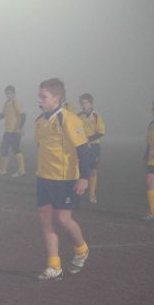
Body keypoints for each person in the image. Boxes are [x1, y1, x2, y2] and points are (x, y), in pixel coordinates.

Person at [34, 78, 90, 280]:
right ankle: (54, 265)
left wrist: (84, 177)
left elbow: (83, 150)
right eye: (39, 96)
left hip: (65, 180)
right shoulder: (39, 121)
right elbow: (42, 147)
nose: (39, 100)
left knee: (63, 219)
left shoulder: (69, 119)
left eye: (44, 96)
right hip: (44, 179)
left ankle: (82, 249)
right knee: (46, 220)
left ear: (56, 97)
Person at [0, 85, 26, 177]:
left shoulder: (16, 102)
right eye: (7, 93)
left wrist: (20, 127)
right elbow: (3, 115)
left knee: (15, 149)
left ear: (14, 93)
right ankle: (3, 170)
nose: (8, 95)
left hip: (15, 131)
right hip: (8, 131)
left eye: (10, 93)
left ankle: (22, 170)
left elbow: (23, 115)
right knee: (4, 148)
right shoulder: (7, 103)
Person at [78, 93, 105, 203]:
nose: (83, 105)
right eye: (82, 103)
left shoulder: (96, 116)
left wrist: (88, 139)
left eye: (86, 103)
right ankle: (79, 192)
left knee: (93, 170)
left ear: (91, 104)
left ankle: (92, 194)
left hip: (94, 146)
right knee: (80, 169)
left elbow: (101, 132)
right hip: (81, 146)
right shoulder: (78, 116)